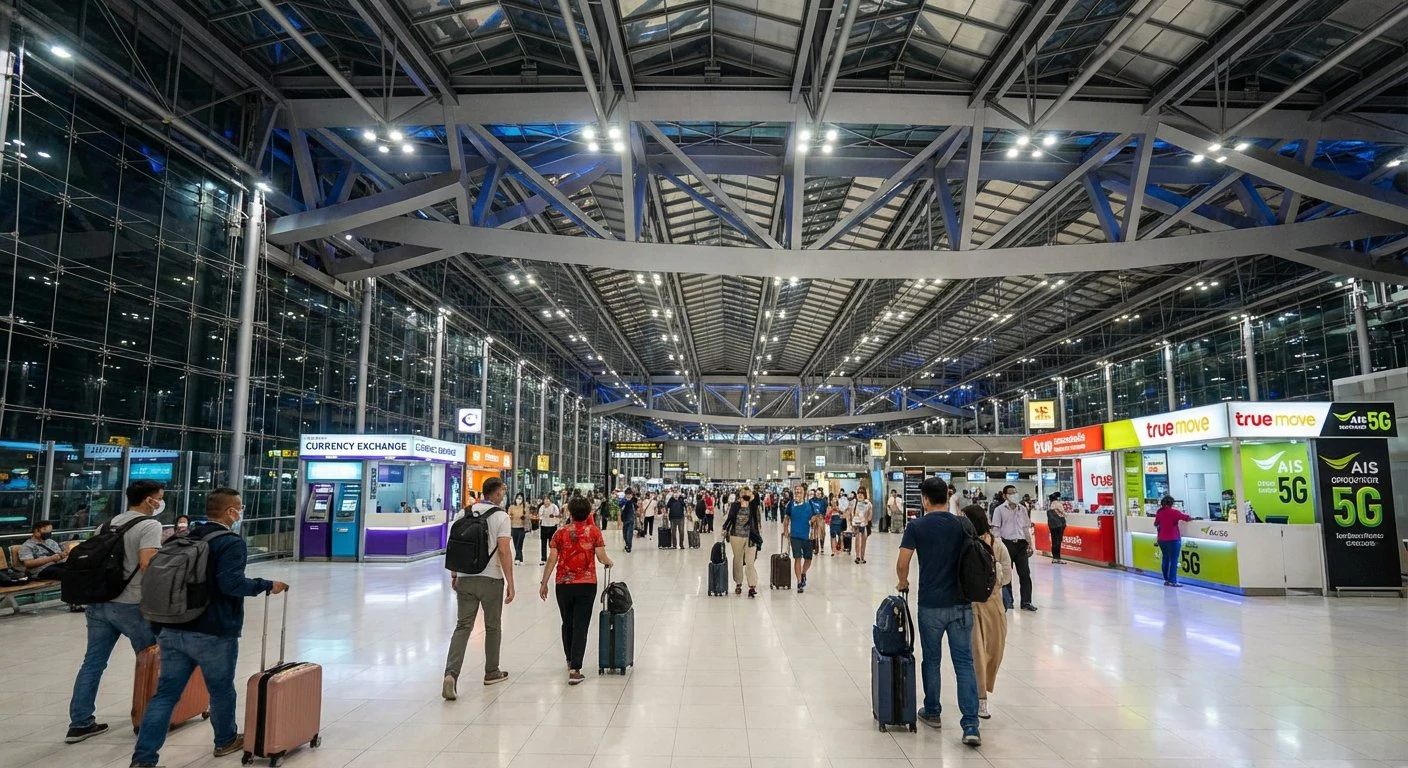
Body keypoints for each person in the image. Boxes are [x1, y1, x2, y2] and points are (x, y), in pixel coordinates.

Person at [130, 489, 288, 768]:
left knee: (165, 695)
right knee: (221, 689)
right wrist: (266, 585)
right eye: (239, 507)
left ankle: (143, 759)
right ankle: (225, 740)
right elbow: (231, 584)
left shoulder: (182, 537)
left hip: (172, 626)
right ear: (230, 512)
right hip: (213, 630)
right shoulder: (229, 542)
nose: (241, 512)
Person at [64, 480, 166, 744]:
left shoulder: (106, 524)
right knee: (149, 662)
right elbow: (148, 565)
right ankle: (148, 719)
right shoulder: (150, 525)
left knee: (93, 662)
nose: (160, 502)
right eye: (159, 498)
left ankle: (80, 722)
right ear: (148, 501)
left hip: (99, 603)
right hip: (132, 604)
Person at [896, 477, 981, 746]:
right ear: (947, 495)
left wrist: (903, 581)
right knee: (964, 663)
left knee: (931, 660)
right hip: (962, 604)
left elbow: (903, 562)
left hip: (931, 604)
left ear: (924, 499)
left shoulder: (916, 526)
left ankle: (932, 711)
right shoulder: (963, 523)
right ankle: (970, 725)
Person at [443, 477, 515, 699]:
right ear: (495, 493)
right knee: (493, 626)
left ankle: (451, 675)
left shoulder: (462, 514)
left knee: (463, 626)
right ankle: (491, 671)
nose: (503, 494)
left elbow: (453, 546)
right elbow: (504, 550)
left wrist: (455, 575)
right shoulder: (501, 516)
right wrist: (510, 582)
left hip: (465, 577)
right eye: (502, 490)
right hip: (491, 578)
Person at [540, 497, 612, 685]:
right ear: (589, 513)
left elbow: (552, 560)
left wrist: (544, 583)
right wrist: (609, 562)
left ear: (570, 512)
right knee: (581, 624)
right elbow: (601, 556)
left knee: (567, 622)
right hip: (587, 584)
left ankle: (570, 658)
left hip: (563, 584)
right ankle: (575, 669)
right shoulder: (594, 532)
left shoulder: (560, 533)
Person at [959, 504, 1010, 721]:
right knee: (977, 655)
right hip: (977, 607)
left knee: (992, 653)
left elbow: (1006, 574)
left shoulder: (995, 545)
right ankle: (980, 699)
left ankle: (981, 695)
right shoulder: (966, 545)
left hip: (990, 606)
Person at [991, 485, 1037, 612]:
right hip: (1006, 544)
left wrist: (1030, 543)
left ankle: (1026, 601)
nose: (1014, 495)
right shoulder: (999, 510)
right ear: (1005, 495)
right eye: (1011, 493)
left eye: (1015, 492)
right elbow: (996, 529)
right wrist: (998, 545)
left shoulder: (1022, 508)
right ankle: (1008, 601)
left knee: (1025, 573)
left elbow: (1025, 527)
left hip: (1021, 544)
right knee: (1006, 573)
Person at [783, 484, 823, 594]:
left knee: (808, 558)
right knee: (797, 558)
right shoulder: (791, 505)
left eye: (800, 492)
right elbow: (786, 518)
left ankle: (803, 572)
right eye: (796, 492)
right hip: (795, 536)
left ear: (804, 493)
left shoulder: (809, 505)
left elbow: (815, 516)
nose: (798, 494)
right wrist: (786, 530)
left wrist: (813, 520)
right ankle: (799, 582)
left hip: (807, 536)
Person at [722, 489, 763, 597]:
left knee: (750, 562)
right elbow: (730, 518)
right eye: (743, 493)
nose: (745, 494)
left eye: (748, 493)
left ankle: (752, 586)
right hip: (736, 536)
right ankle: (738, 583)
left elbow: (758, 520)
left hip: (751, 538)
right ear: (739, 495)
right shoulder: (735, 505)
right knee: (738, 560)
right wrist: (724, 529)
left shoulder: (753, 505)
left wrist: (752, 499)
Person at [1154, 495, 1191, 587]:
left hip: (1161, 539)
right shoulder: (1174, 512)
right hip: (1173, 539)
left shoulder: (1159, 512)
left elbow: (1156, 523)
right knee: (1174, 560)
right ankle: (1173, 581)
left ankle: (1166, 579)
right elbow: (1186, 518)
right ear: (1172, 503)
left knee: (1165, 558)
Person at [851, 488, 873, 564]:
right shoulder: (854, 503)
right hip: (856, 524)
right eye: (859, 493)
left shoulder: (868, 504)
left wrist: (866, 519)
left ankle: (862, 556)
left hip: (864, 525)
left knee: (863, 541)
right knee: (857, 540)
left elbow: (870, 515)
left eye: (862, 493)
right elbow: (852, 514)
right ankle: (857, 556)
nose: (860, 494)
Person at [538, 495, 561, 565]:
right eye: (545, 500)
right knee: (543, 543)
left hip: (552, 526)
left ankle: (553, 557)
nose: (546, 501)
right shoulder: (542, 507)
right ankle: (543, 558)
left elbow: (557, 513)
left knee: (552, 543)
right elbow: (540, 515)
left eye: (548, 499)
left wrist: (553, 515)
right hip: (544, 526)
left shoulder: (554, 506)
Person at [1046, 492, 1067, 564]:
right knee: (1058, 541)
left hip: (1052, 525)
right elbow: (1064, 513)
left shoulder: (1050, 504)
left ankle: (1054, 558)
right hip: (1059, 525)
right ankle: (1058, 558)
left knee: (1054, 541)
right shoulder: (1058, 504)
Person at [507, 493, 529, 564]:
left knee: (520, 543)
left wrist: (524, 516)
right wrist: (511, 517)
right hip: (514, 527)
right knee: (515, 543)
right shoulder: (511, 507)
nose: (518, 500)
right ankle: (519, 558)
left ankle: (517, 558)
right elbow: (509, 514)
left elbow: (527, 516)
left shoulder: (525, 507)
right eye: (517, 498)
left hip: (521, 527)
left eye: (520, 498)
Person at [619, 488, 637, 553]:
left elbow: (636, 506)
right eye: (627, 494)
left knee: (629, 534)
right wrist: (626, 501)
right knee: (625, 534)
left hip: (631, 519)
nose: (629, 496)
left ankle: (629, 547)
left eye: (630, 494)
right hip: (624, 519)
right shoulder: (623, 500)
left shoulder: (633, 500)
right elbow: (620, 505)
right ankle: (627, 544)